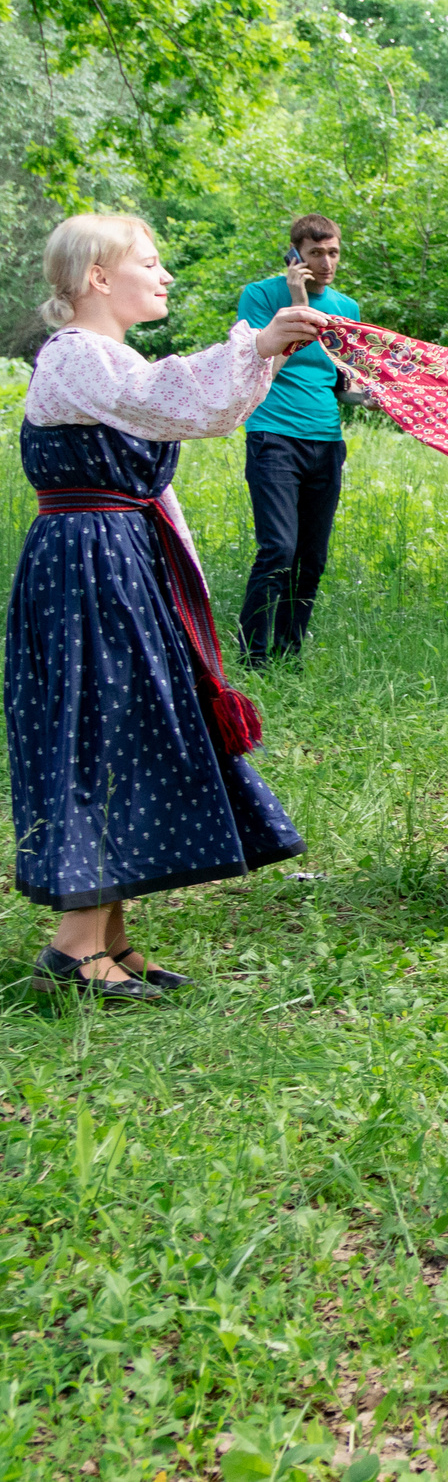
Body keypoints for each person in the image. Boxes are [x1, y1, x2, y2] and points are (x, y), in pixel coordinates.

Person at [12, 215, 321, 998]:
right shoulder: (76, 355)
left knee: (131, 723)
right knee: (101, 729)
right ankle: (74, 949)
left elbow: (197, 411)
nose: (166, 276)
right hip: (89, 568)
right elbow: (167, 399)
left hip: (117, 562)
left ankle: (109, 940)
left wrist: (266, 348)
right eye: (150, 263)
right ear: (96, 278)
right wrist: (256, 342)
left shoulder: (107, 357)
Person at [236, 213, 365, 666]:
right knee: (278, 549)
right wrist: (295, 299)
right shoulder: (258, 296)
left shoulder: (346, 308)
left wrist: (378, 397)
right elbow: (259, 364)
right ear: (295, 256)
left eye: (333, 252)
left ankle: (290, 653)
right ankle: (252, 656)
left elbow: (342, 383)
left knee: (311, 558)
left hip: (325, 440)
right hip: (274, 434)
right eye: (316, 254)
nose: (327, 262)